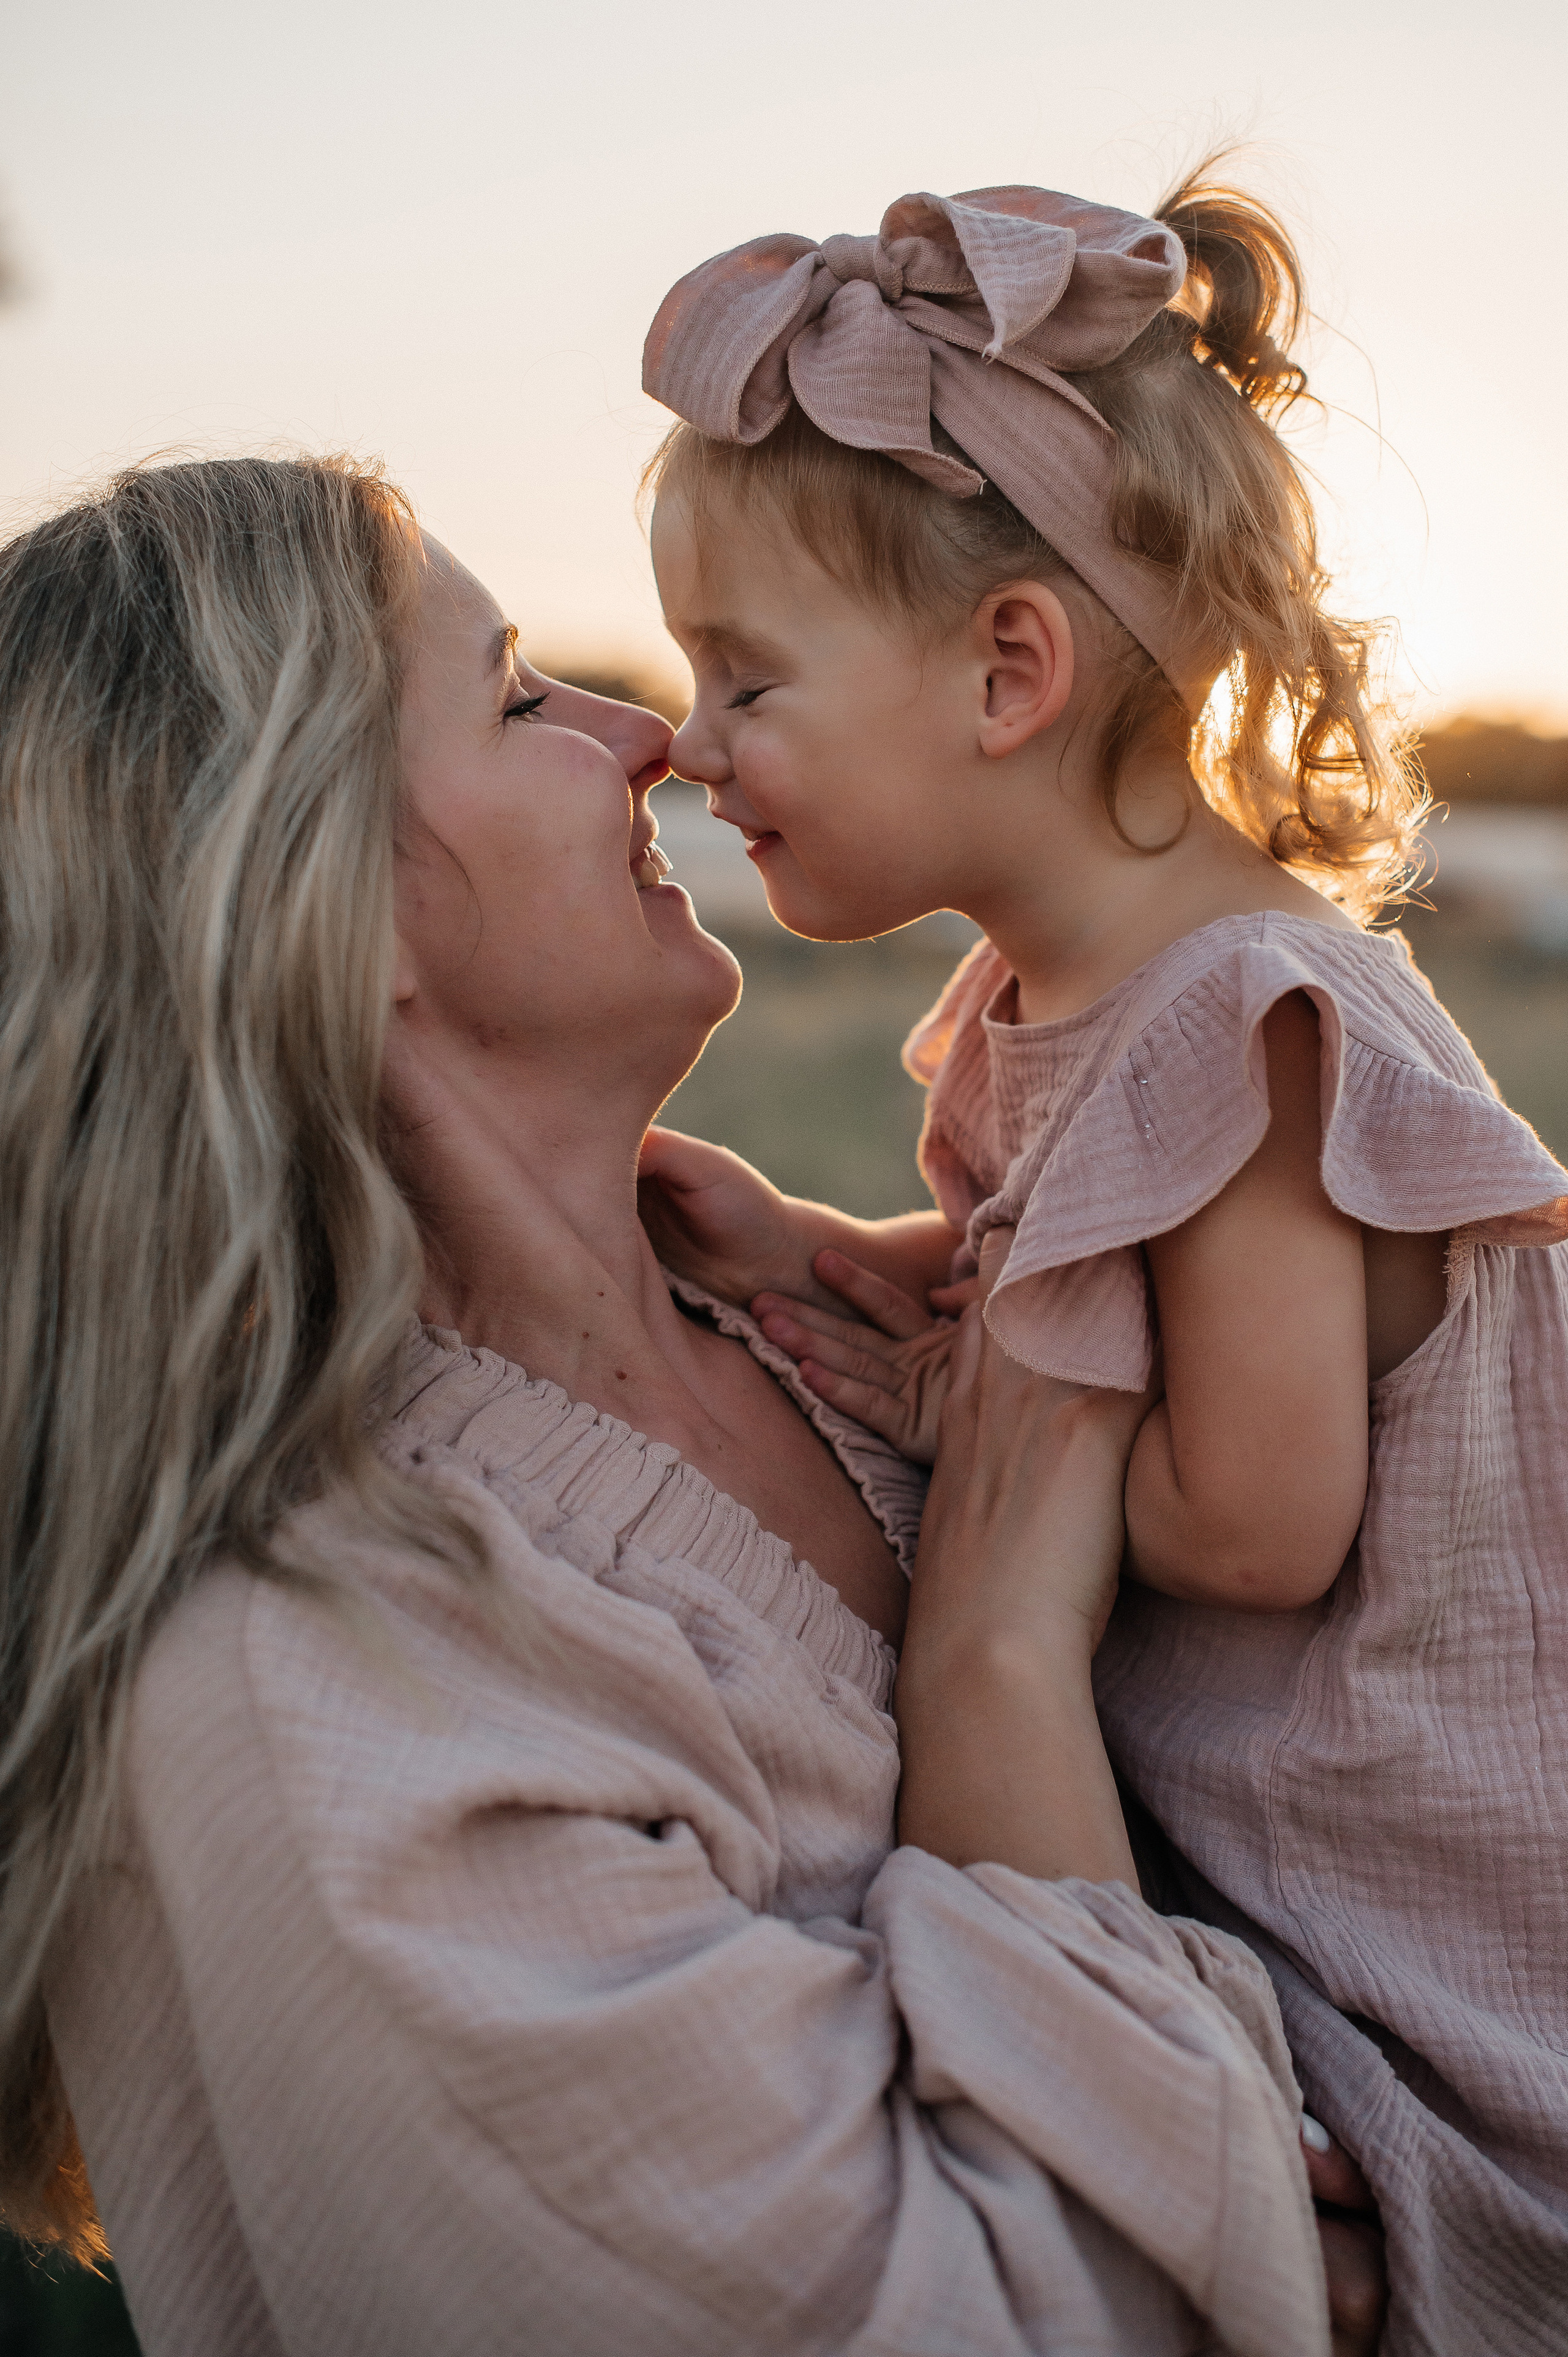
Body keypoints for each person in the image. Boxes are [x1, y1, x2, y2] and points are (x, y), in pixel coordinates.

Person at [0, 455, 1382, 2355]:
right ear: (325, 908)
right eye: (512, 699)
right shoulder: (307, 1695)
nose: (651, 732)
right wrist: (990, 1655)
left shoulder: (804, 1315)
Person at [636, 170, 1568, 2354]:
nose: (691, 746)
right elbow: (1063, 1313)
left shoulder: (1243, 1018)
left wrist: (971, 1425)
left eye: (744, 678)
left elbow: (1254, 1516)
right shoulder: (1067, 1004)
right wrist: (825, 1251)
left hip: (1430, 1835)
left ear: (1011, 670)